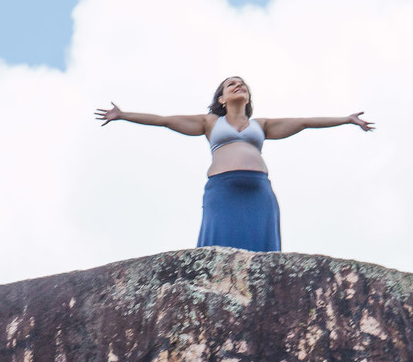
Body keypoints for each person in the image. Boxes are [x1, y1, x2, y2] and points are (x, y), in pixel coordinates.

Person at [95, 77, 374, 252]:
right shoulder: (209, 122)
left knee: (260, 253)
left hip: (258, 193)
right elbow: (164, 120)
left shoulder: (260, 125)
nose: (239, 86)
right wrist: (123, 115)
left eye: (244, 85)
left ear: (248, 98)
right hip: (223, 192)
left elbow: (304, 123)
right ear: (222, 98)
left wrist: (346, 119)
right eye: (232, 84)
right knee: (218, 247)